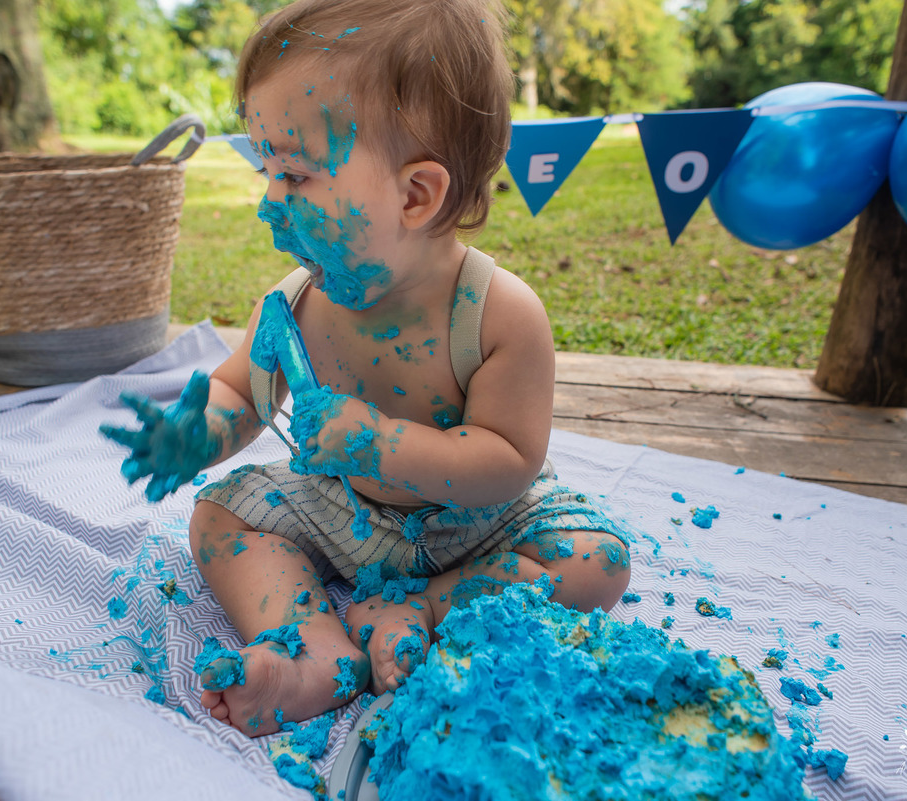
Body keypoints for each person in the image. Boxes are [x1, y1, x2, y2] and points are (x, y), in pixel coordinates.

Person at [101, 0, 632, 738]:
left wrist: (381, 445)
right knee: (221, 515)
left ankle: (425, 606)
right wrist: (202, 431)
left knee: (596, 557)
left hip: (473, 524)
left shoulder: (498, 314)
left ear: (417, 194)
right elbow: (239, 392)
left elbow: (510, 461)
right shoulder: (298, 301)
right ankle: (313, 646)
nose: (267, 204)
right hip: (339, 509)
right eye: (267, 170)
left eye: (294, 175)